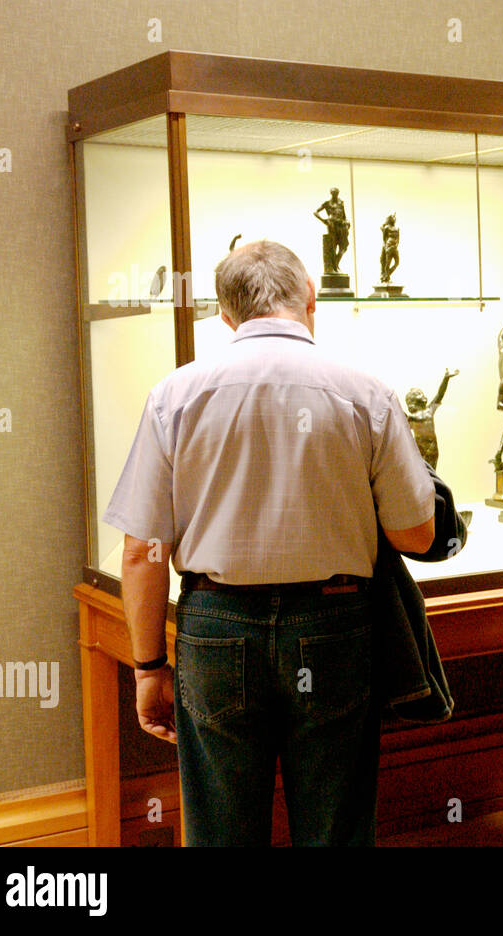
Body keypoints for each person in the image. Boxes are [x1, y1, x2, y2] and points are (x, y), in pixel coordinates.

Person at [103, 240, 436, 846]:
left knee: (221, 831)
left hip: (216, 626)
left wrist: (148, 667)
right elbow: (415, 535)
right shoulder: (367, 393)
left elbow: (141, 551)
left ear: (226, 317)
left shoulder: (174, 395)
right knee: (335, 827)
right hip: (335, 625)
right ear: (310, 297)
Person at [406, 368, 459, 469]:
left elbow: (440, 394)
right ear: (413, 400)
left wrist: (446, 378)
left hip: (433, 451)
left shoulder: (429, 410)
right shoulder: (411, 418)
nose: (423, 395)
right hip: (421, 453)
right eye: (419, 394)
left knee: (432, 477)